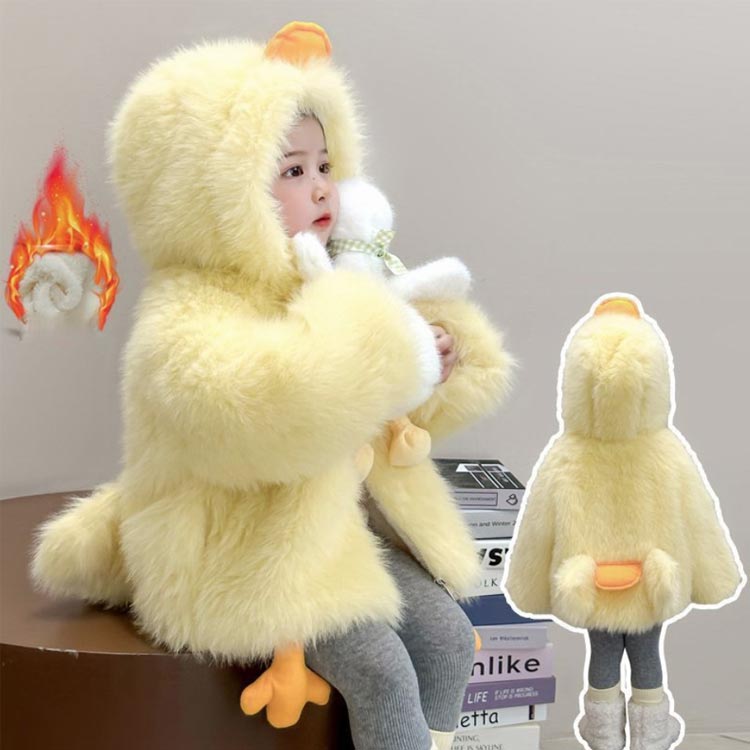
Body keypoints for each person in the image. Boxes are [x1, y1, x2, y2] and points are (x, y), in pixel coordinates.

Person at [31, 22, 515, 750]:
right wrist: (380, 344)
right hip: (248, 557)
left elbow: (394, 415)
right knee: (381, 671)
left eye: (325, 165)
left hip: (335, 535)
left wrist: (435, 361)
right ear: (213, 193)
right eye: (292, 170)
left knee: (446, 639)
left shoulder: (328, 273)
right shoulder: (184, 322)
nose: (322, 186)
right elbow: (271, 411)